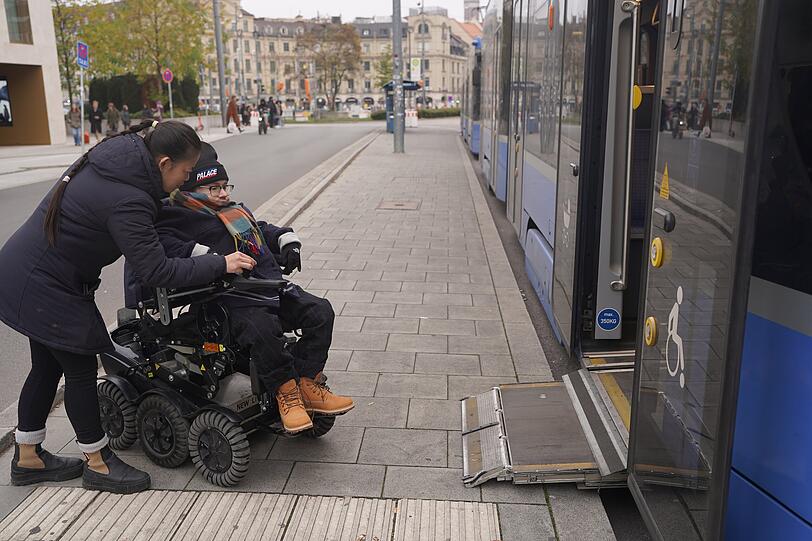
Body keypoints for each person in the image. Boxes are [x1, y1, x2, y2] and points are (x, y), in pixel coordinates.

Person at [0, 120, 256, 495]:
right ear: (164, 162)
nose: (186, 180)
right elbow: (155, 269)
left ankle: (28, 458)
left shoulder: (120, 161)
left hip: (27, 270)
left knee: (47, 365)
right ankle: (98, 463)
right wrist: (221, 263)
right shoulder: (128, 198)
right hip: (46, 283)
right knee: (80, 368)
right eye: (185, 172)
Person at [142, 143, 354, 433]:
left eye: (225, 186)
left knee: (320, 312)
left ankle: (307, 384)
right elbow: (169, 248)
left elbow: (261, 229)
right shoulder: (177, 217)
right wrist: (212, 259)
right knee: (262, 329)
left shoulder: (234, 211)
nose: (223, 193)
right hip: (229, 299)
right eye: (214, 188)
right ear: (191, 191)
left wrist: (286, 241)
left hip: (268, 288)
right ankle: (286, 392)